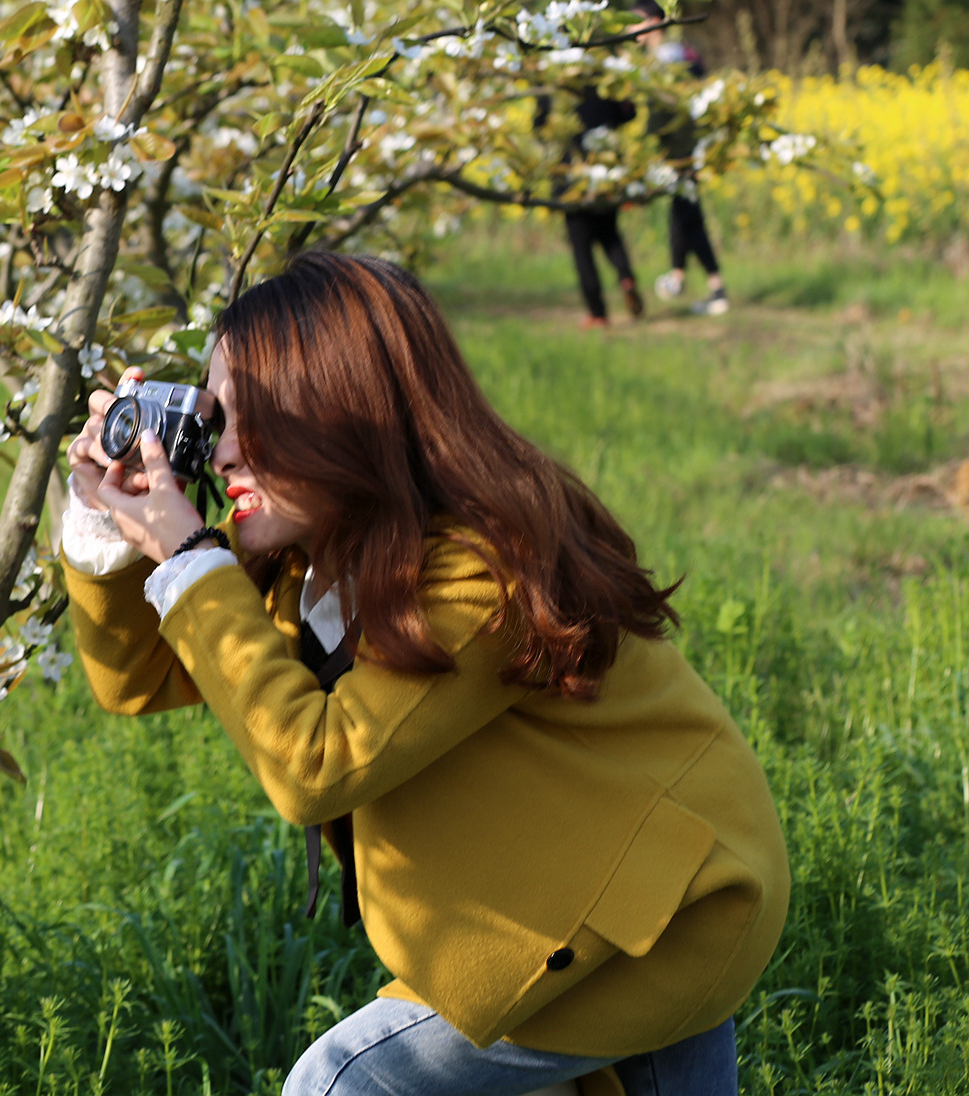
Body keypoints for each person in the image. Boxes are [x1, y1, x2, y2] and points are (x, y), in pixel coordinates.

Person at [61, 253, 789, 1096]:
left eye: (253, 423)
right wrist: (107, 520)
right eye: (214, 417)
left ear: (341, 416)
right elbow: (134, 679)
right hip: (601, 890)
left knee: (340, 1083)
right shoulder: (306, 559)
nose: (221, 453)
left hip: (669, 917)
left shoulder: (482, 572)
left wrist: (191, 558)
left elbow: (316, 765)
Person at [636, 0, 730, 316]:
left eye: (635, 21)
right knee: (682, 212)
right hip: (681, 150)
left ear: (653, 22)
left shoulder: (667, 60)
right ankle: (679, 277)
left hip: (681, 150)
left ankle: (716, 289)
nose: (630, 29)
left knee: (688, 214)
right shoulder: (679, 54)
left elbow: (675, 108)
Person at [538, 89, 645, 328]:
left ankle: (598, 313)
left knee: (582, 249)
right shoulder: (604, 85)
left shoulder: (551, 90)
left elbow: (538, 128)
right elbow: (628, 114)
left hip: (571, 177)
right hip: (605, 172)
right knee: (610, 236)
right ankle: (626, 278)